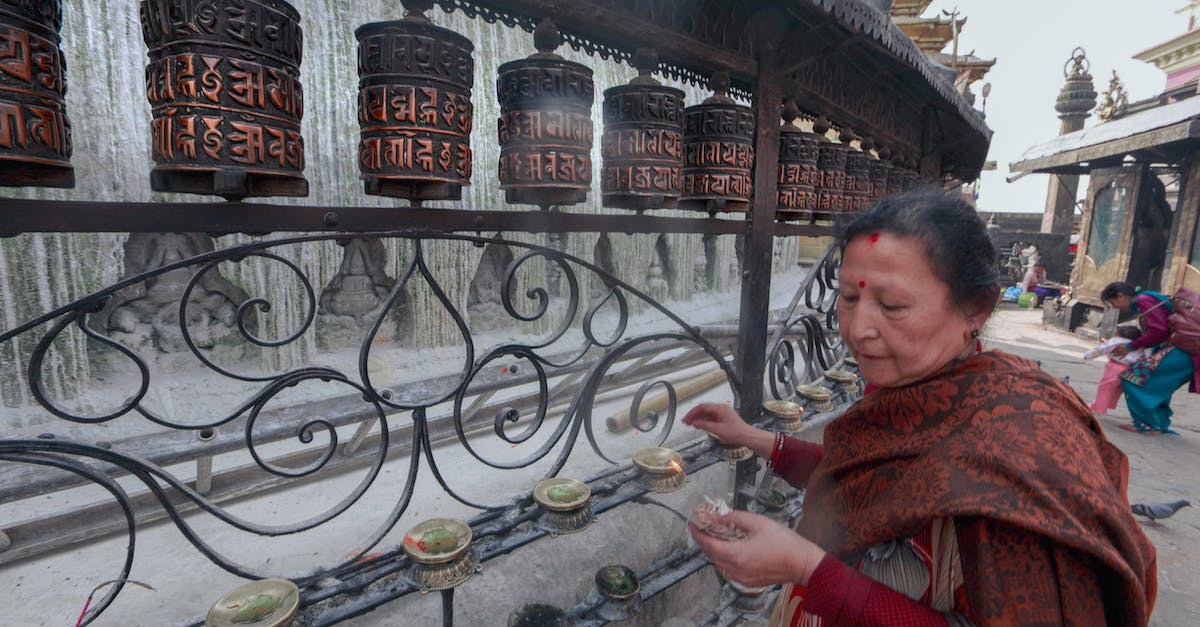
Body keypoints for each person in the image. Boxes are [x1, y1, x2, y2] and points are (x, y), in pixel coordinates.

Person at [684, 189, 1157, 626]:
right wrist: (753, 438)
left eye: (891, 306)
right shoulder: (915, 397)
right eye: (848, 298)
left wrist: (805, 566)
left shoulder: (1024, 447)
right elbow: (877, 479)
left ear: (976, 308)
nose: (858, 329)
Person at [1102, 281, 1200, 435]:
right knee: (1160, 385)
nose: (1114, 307)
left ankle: (1146, 423)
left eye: (1112, 302)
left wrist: (1130, 347)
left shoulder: (1143, 301)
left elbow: (1158, 331)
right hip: (1188, 352)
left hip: (1181, 352)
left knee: (1133, 378)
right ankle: (1158, 423)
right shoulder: (1149, 298)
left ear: (1121, 296)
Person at [1083, 325, 1145, 415]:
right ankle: (1109, 403)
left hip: (1114, 367)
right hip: (1130, 369)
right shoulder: (1138, 345)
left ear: (1120, 334)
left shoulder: (1117, 341)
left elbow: (1100, 349)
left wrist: (1088, 355)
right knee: (1118, 389)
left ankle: (1099, 407)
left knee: (1105, 388)